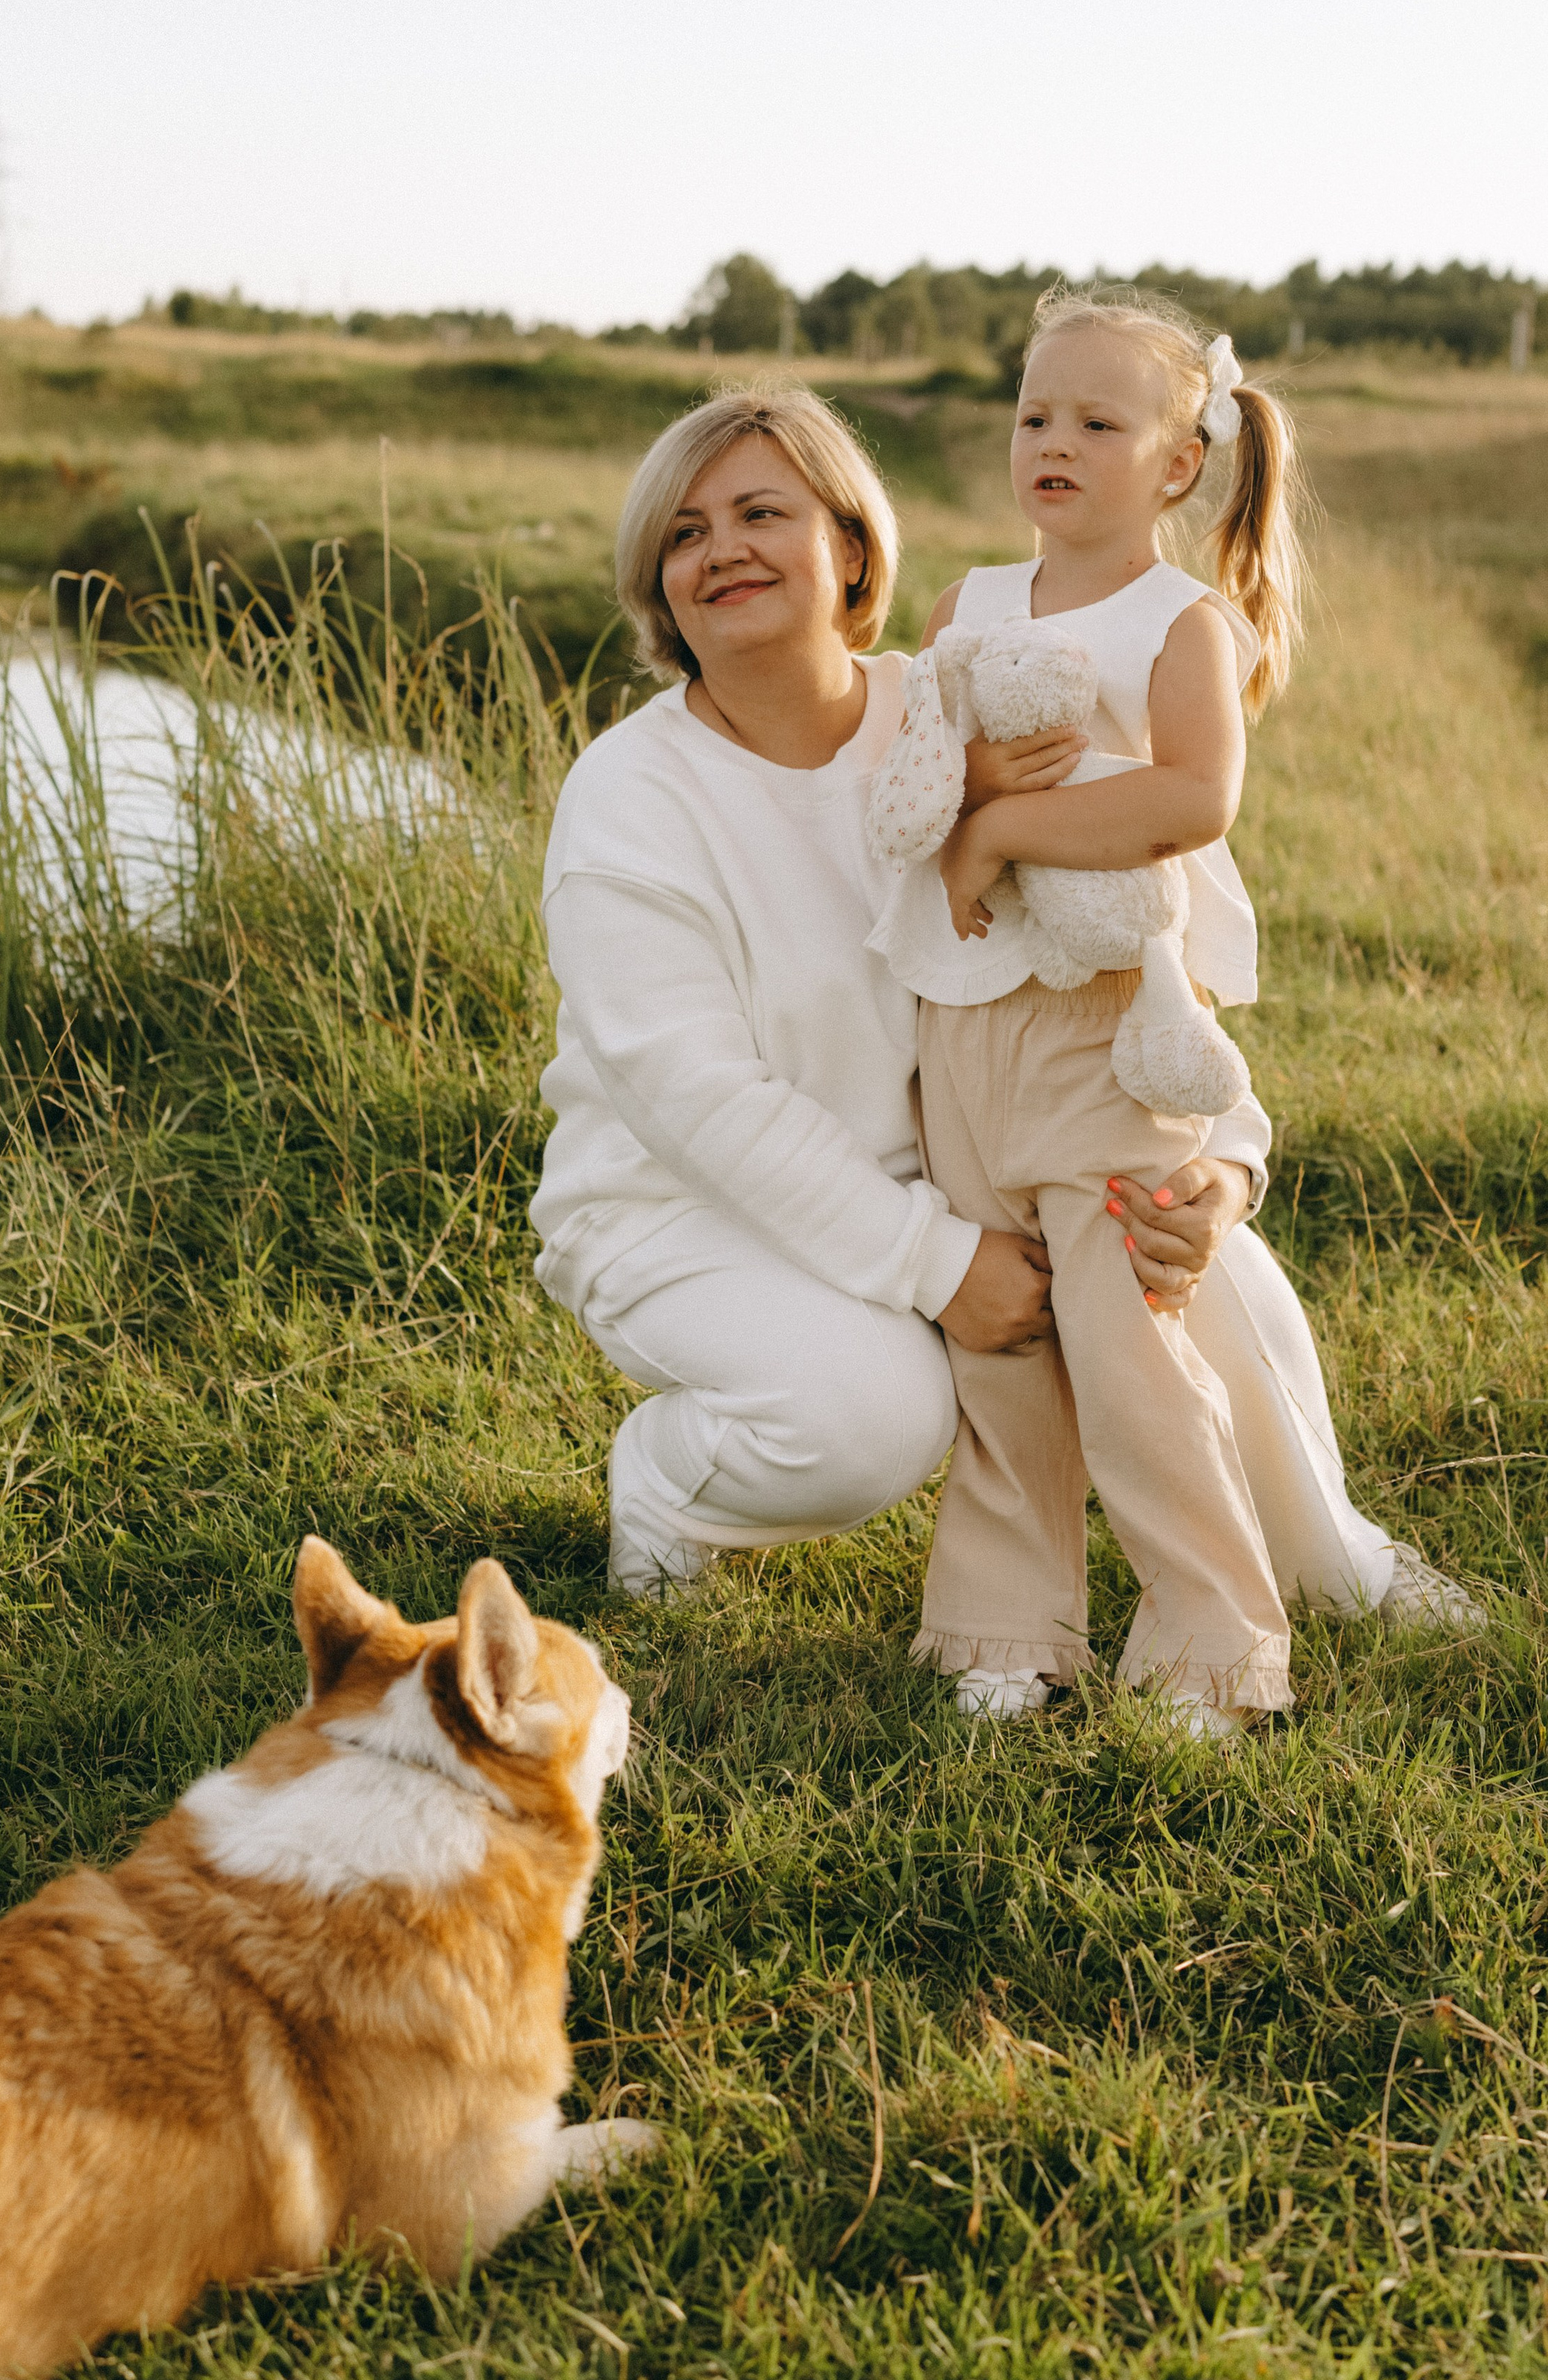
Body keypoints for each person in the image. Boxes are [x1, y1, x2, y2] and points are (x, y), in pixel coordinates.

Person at [527, 381, 1464, 1652]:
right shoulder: (629, 798)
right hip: (684, 1209)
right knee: (874, 1411)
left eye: (760, 513)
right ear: (659, 583)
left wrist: (1226, 1161)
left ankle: (1339, 1560)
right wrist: (942, 1265)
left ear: (850, 543)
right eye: (684, 534)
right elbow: (701, 1102)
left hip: (973, 1165)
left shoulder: (954, 710)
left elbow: (1126, 923)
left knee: (1192, 1252)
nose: (722, 551)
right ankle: (667, 1482)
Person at [886, 287, 1306, 1735]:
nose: (1052, 443)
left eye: (1095, 422)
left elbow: (1192, 798)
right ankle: (1007, 1629)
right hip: (966, 1022)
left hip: (1105, 1030)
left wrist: (1004, 833)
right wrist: (971, 802)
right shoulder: (965, 604)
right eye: (1033, 415)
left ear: (1178, 464)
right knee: (1000, 1337)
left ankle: (1216, 1644)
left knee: (1126, 1341)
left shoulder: (1180, 624)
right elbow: (922, 772)